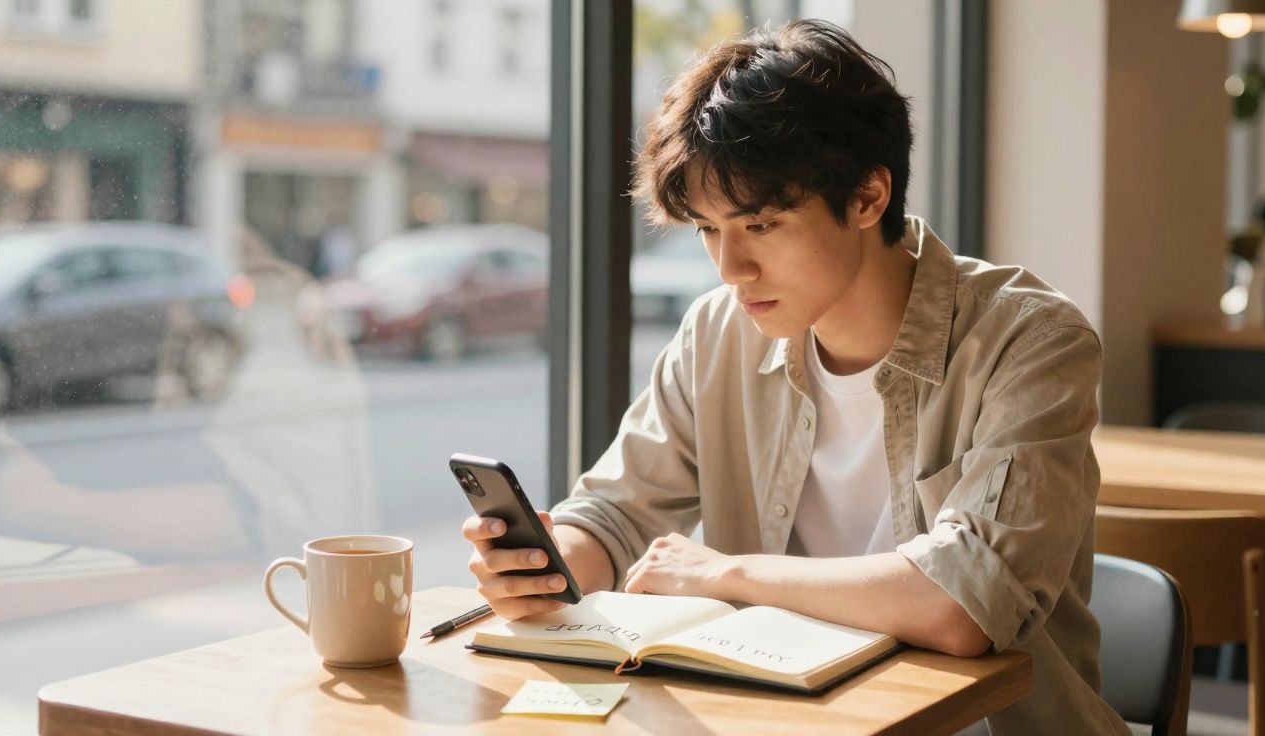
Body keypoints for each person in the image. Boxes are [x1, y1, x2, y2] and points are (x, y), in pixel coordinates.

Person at [461, 19, 1126, 735]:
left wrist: (726, 574)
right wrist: (549, 563)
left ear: (869, 198)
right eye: (709, 229)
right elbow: (618, 512)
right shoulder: (717, 332)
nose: (731, 268)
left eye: (762, 225)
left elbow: (963, 605)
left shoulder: (1029, 341)